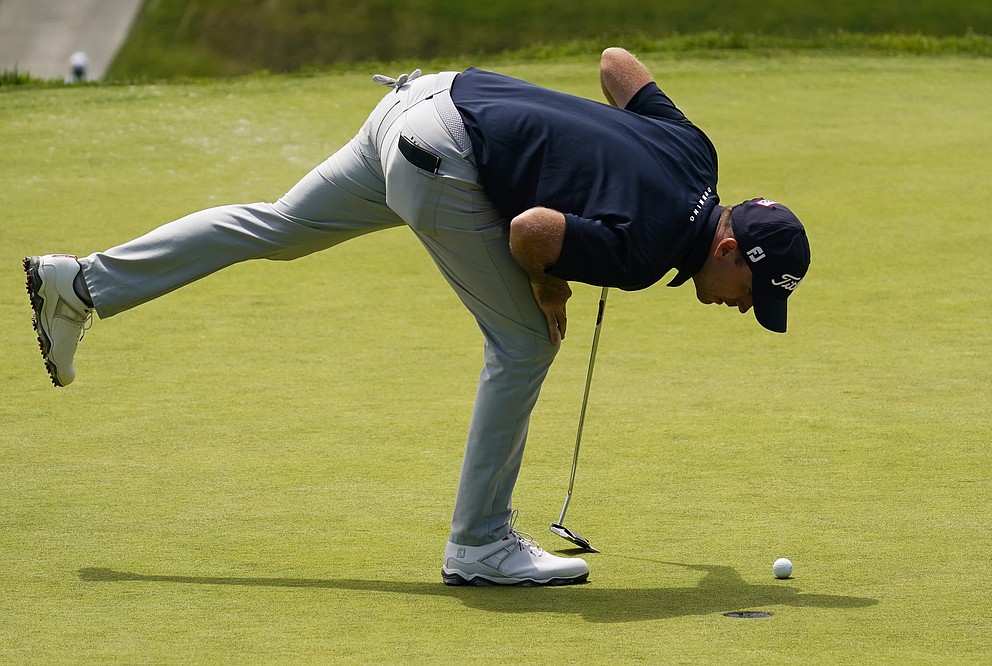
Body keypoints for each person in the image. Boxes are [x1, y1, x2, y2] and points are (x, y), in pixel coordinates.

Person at [23, 48, 810, 587]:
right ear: (732, 247)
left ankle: (83, 284)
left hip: (424, 99)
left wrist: (598, 155)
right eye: (754, 293)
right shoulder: (644, 254)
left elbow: (615, 64)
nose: (745, 309)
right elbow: (532, 233)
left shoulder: (695, 151)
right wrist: (552, 288)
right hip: (448, 160)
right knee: (525, 345)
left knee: (278, 227)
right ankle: (480, 545)